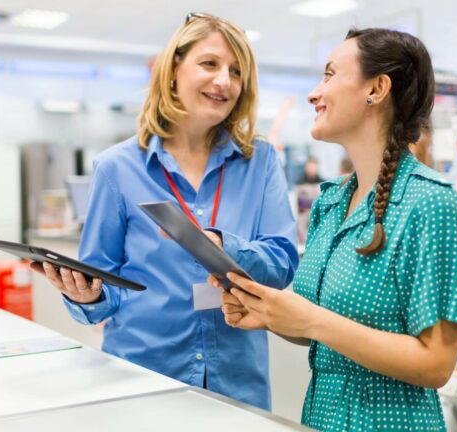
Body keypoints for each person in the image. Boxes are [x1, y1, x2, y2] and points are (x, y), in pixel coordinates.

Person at [213, 28, 457, 430]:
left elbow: (436, 363)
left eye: (330, 75)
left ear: (377, 88)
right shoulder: (331, 201)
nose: (314, 93)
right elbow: (315, 329)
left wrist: (311, 321)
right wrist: (267, 312)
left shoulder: (433, 206)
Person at [30, 13, 298, 411]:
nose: (224, 81)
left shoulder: (259, 162)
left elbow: (281, 261)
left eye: (236, 72)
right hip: (142, 379)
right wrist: (86, 297)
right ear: (173, 69)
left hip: (237, 382)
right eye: (209, 64)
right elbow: (103, 285)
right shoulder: (117, 168)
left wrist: (224, 247)